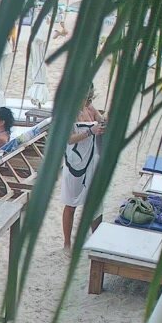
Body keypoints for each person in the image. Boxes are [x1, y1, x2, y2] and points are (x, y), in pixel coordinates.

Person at [61, 87, 107, 249]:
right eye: (87, 98)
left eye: (91, 98)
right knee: (71, 204)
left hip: (92, 159)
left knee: (96, 202)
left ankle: (96, 240)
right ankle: (67, 243)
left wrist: (104, 123)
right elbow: (68, 139)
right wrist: (90, 131)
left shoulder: (90, 108)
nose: (89, 102)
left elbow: (101, 120)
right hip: (75, 162)